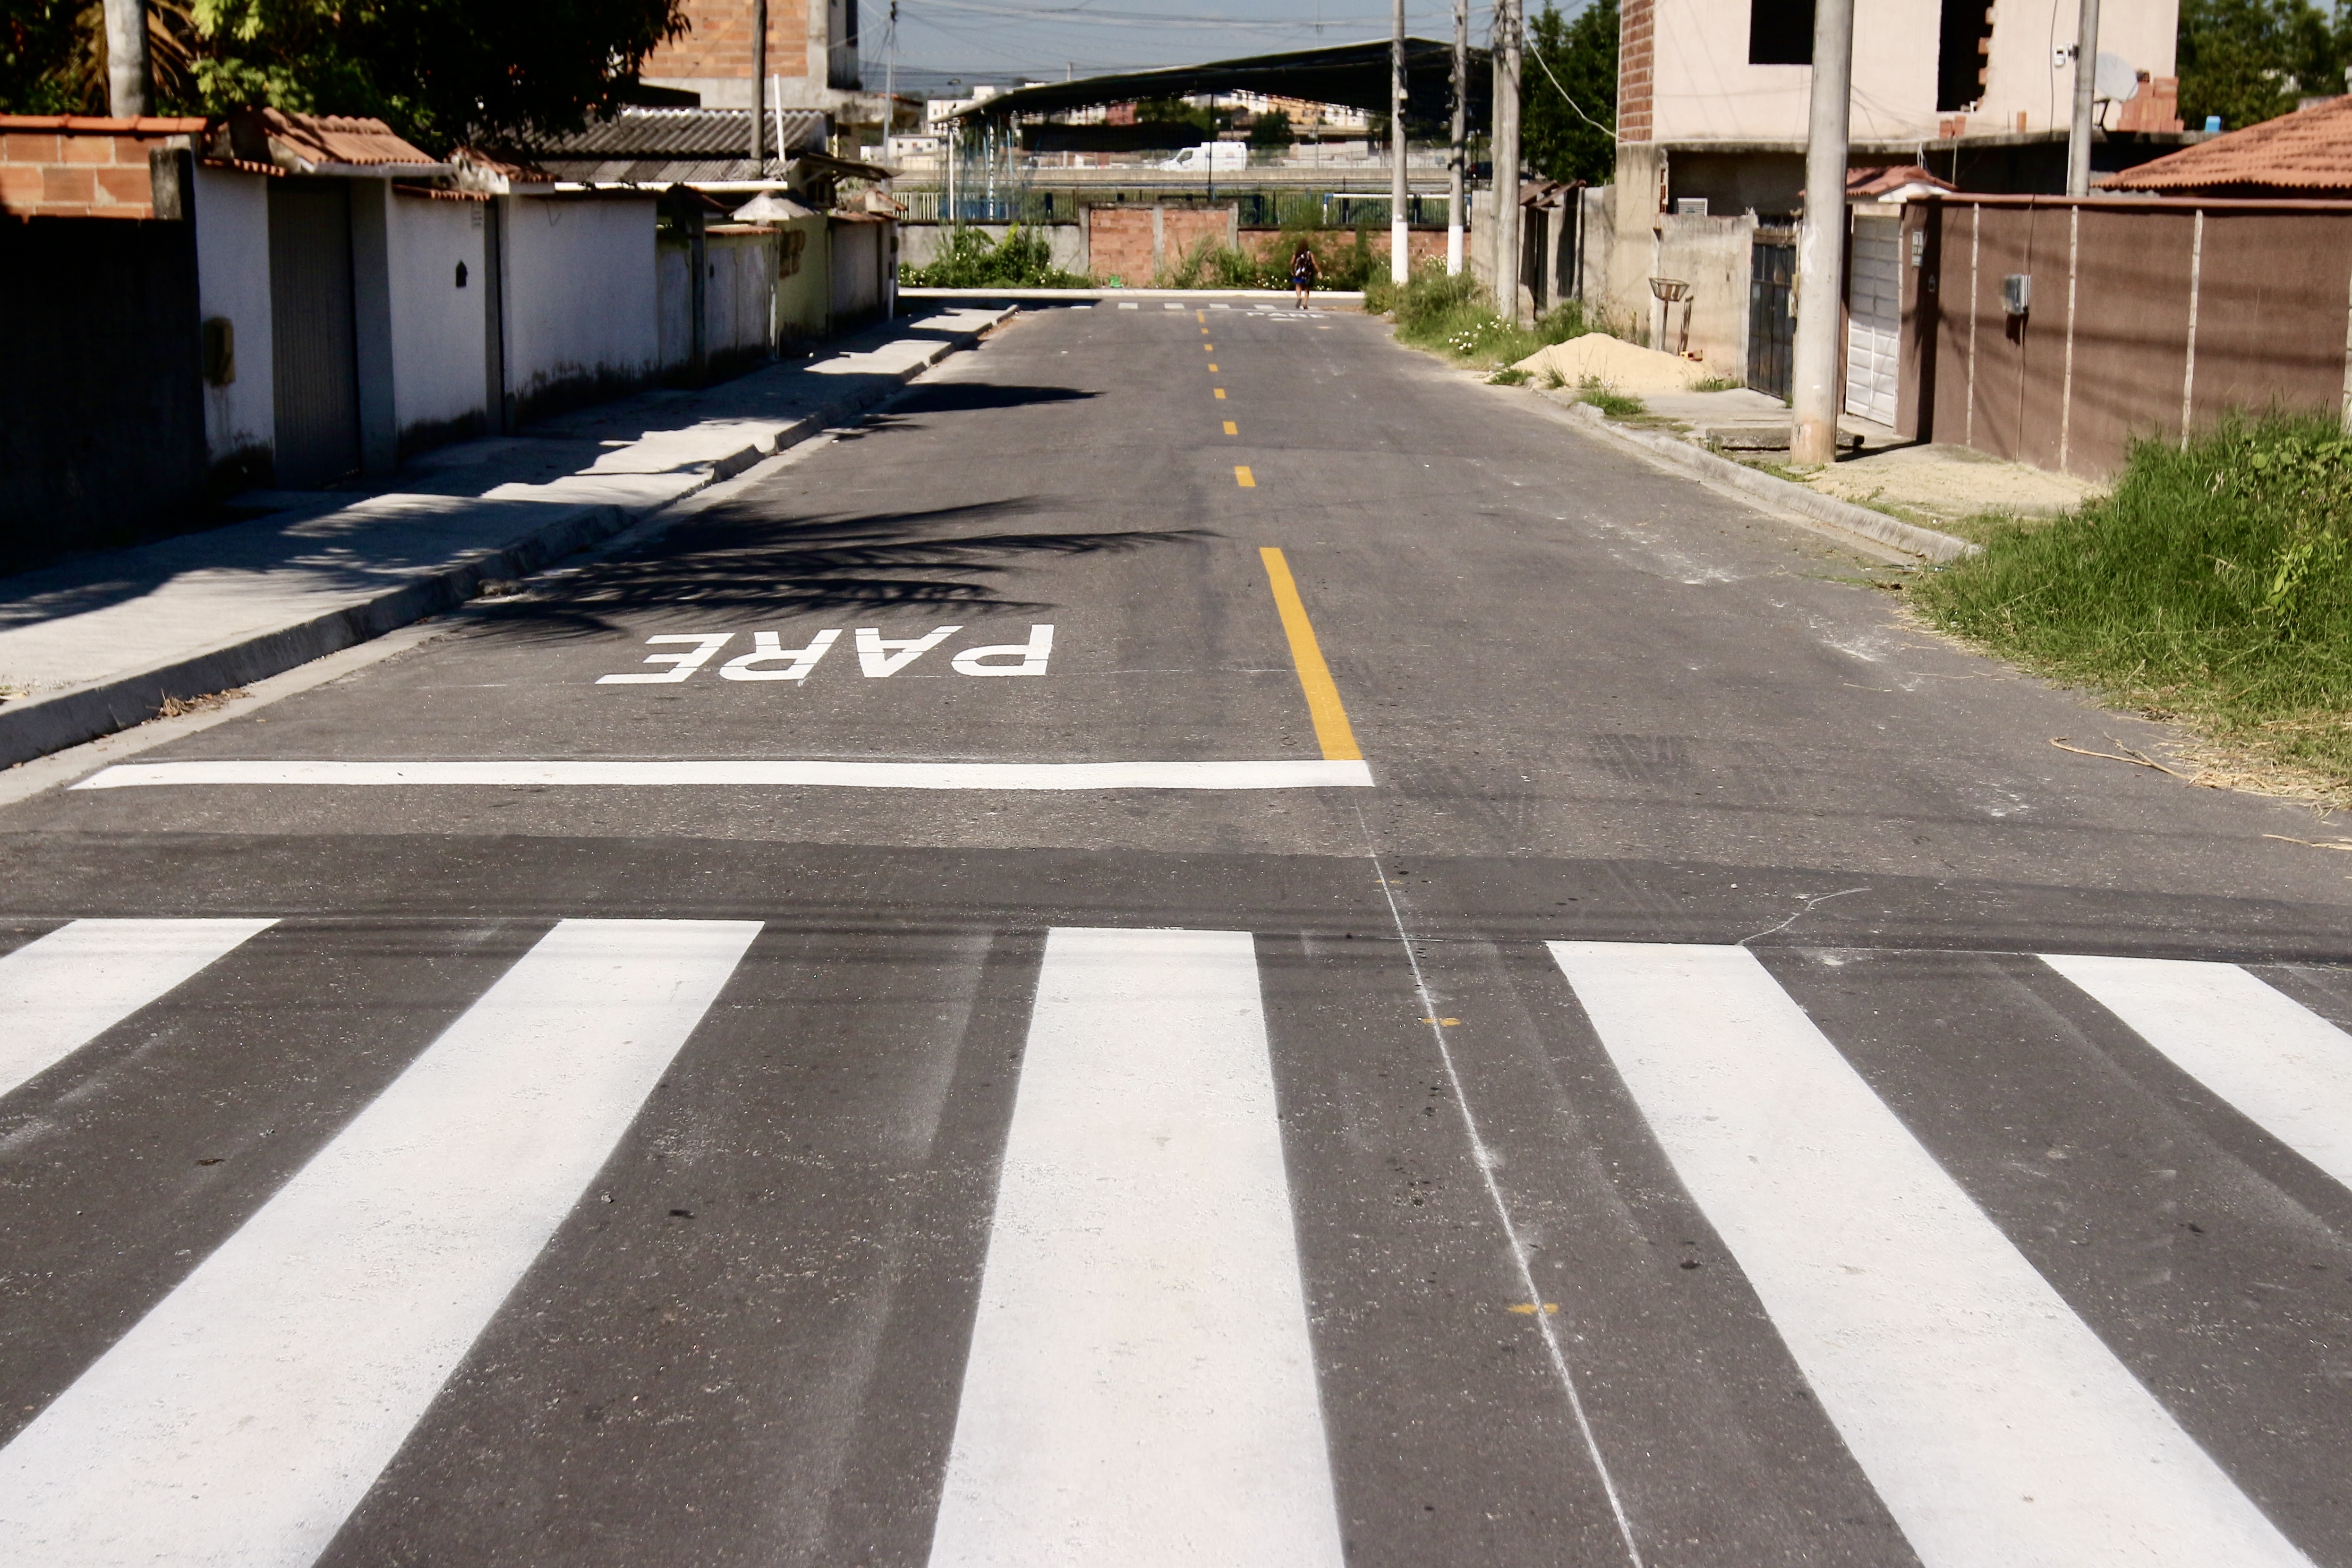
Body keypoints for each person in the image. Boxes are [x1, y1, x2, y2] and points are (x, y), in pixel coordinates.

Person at [1290, 241, 1318, 310]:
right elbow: (1314, 263)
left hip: (1299, 272)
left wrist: (1293, 270)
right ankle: (1305, 304)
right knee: (1307, 289)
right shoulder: (1310, 253)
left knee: (1298, 285)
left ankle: (1299, 297)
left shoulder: (1297, 253)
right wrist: (1318, 271)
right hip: (1308, 273)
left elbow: (1292, 263)